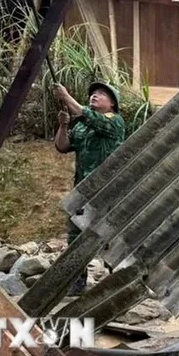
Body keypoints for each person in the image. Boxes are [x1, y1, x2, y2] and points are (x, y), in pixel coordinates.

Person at [54, 81, 126, 295]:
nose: (94, 96)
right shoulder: (83, 125)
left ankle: (117, 281)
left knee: (109, 235)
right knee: (75, 235)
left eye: (101, 94)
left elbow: (92, 118)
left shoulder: (114, 122)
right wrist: (64, 126)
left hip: (107, 191)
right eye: (93, 93)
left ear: (112, 104)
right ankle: (76, 282)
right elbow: (63, 146)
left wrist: (66, 97)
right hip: (82, 190)